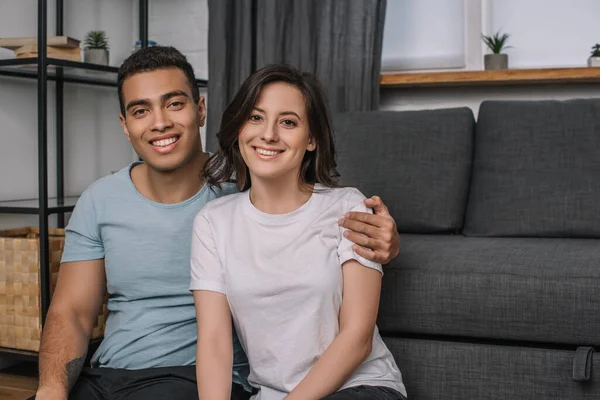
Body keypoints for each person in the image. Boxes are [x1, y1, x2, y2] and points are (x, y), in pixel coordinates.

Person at [34, 46, 401, 400]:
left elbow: (311, 211)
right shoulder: (191, 215)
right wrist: (50, 389)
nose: (160, 122)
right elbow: (72, 312)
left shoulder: (253, 187)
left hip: (192, 379)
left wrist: (389, 242)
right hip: (111, 373)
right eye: (141, 110)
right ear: (125, 125)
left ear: (201, 109)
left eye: (174, 103)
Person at [191, 64, 407, 400]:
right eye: (255, 117)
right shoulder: (212, 221)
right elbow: (215, 342)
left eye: (288, 122)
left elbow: (357, 338)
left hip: (360, 387)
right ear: (238, 129)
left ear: (311, 140)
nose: (269, 134)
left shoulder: (348, 206)